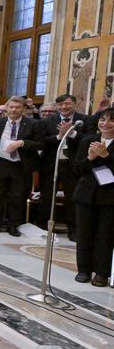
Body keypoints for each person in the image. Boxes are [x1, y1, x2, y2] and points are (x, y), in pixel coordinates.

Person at [0, 95, 44, 236]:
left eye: (18, 107)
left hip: (21, 165)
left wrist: (22, 142)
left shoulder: (33, 124)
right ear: (7, 108)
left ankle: (13, 225)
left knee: (17, 196)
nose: (14, 110)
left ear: (24, 109)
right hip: (0, 162)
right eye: (11, 107)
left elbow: (41, 143)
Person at [71, 108, 114, 286]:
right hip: (86, 194)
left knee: (105, 235)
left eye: (111, 120)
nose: (105, 123)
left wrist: (107, 157)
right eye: (102, 119)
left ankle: (102, 272)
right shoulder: (88, 140)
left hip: (110, 197)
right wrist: (89, 158)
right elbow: (76, 169)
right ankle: (83, 269)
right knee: (84, 233)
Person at [38, 93, 90, 239]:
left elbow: (88, 139)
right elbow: (42, 141)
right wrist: (59, 137)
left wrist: (72, 133)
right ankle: (43, 227)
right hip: (51, 165)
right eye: (60, 105)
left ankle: (73, 229)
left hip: (72, 166)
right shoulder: (48, 121)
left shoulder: (84, 120)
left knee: (72, 199)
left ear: (74, 104)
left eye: (67, 104)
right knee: (47, 198)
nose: (64, 107)